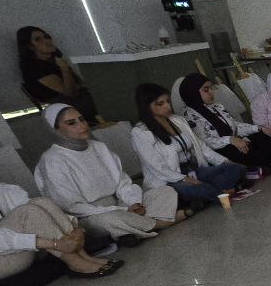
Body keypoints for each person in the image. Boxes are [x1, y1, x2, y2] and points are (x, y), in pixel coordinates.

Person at [0, 141, 121, 281]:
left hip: (15, 248)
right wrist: (53, 244)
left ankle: (83, 257)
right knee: (27, 212)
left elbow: (34, 205)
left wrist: (75, 228)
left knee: (40, 202)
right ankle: (75, 263)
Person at [34, 104, 182, 247]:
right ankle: (162, 222)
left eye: (82, 119)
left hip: (120, 204)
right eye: (72, 123)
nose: (82, 125)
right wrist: (123, 211)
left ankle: (130, 232)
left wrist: (133, 203)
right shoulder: (52, 160)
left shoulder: (99, 147)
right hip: (91, 215)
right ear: (56, 130)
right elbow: (71, 207)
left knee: (165, 191)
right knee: (110, 219)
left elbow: (122, 182)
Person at [130, 83, 244, 208]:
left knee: (235, 169)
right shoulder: (140, 133)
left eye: (168, 101)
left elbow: (201, 147)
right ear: (146, 107)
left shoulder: (178, 120)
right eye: (160, 103)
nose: (167, 106)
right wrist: (184, 179)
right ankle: (218, 193)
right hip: (171, 179)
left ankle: (203, 199)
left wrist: (225, 161)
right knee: (198, 188)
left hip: (194, 171)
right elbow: (158, 168)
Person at [177, 73, 271, 174]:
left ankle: (263, 166)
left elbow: (234, 126)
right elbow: (205, 141)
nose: (212, 92)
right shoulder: (188, 115)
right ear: (193, 92)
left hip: (235, 141)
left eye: (211, 88)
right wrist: (230, 140)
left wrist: (259, 128)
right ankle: (269, 164)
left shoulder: (216, 106)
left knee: (263, 136)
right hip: (219, 150)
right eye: (206, 90)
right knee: (236, 150)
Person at [16, 26, 104, 125]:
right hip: (67, 107)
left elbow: (81, 83)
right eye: (38, 39)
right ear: (29, 46)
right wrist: (64, 68)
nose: (46, 41)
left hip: (81, 98)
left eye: (46, 37)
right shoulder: (33, 67)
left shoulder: (56, 60)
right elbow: (70, 94)